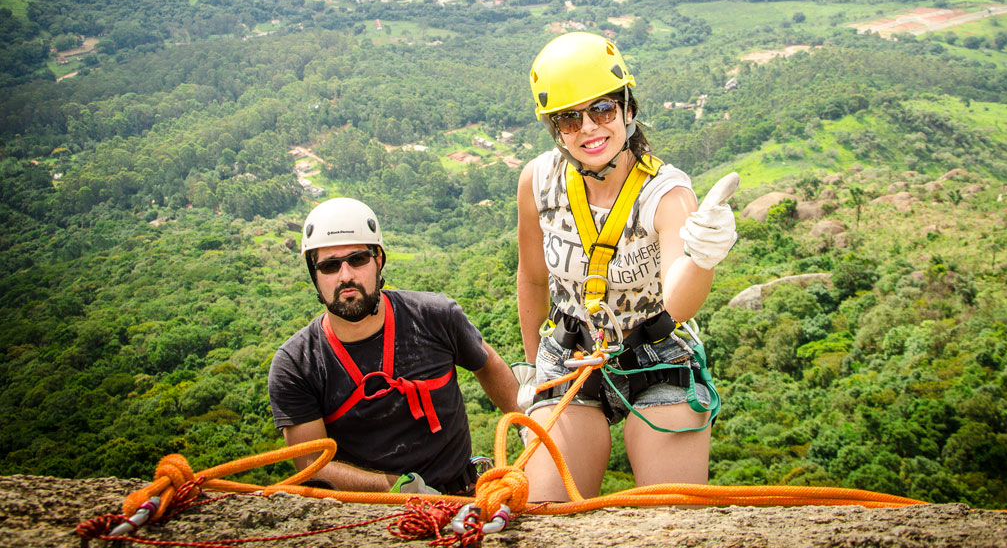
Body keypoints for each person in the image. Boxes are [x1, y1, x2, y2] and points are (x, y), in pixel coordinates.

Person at [516, 32, 738, 501]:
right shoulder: (538, 181)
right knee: (547, 510)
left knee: (669, 516)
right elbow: (533, 276)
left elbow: (677, 298)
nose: (589, 128)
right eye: (569, 118)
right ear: (555, 130)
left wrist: (702, 258)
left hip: (652, 352)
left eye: (602, 110)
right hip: (569, 354)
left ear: (627, 110)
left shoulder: (665, 193)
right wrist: (533, 365)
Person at [269, 197, 518, 493]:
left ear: (378, 261)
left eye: (358, 259)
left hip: (462, 494)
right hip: (367, 511)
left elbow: (487, 363)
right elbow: (312, 463)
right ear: (315, 275)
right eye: (330, 266)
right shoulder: (297, 365)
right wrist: (396, 488)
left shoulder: (435, 316)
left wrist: (527, 428)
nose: (346, 275)